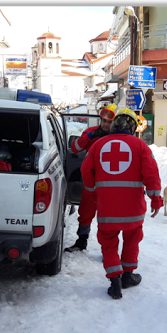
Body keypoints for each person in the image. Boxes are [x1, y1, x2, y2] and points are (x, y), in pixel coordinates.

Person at [81, 108, 163, 299]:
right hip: (133, 209)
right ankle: (127, 276)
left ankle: (114, 280)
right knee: (132, 240)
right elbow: (152, 174)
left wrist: (93, 193)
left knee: (108, 244)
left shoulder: (98, 145)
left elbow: (86, 171)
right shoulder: (140, 146)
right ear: (133, 126)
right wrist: (156, 199)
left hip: (106, 207)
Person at [65, 103, 117, 252]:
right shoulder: (91, 132)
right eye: (104, 121)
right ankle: (82, 241)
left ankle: (109, 249)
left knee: (108, 216)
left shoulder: (118, 137)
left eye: (109, 122)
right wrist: (89, 137)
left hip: (110, 183)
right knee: (86, 212)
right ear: (100, 120)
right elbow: (75, 148)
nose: (106, 124)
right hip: (91, 181)